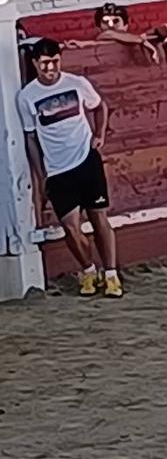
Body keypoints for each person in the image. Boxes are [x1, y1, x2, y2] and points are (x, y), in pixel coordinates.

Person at [18, 38, 124, 297]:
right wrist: (42, 174)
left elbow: (100, 106)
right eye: (44, 63)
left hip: (86, 159)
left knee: (99, 218)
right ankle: (88, 270)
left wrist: (100, 134)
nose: (50, 68)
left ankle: (111, 274)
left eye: (54, 61)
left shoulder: (77, 83)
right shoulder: (27, 96)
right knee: (70, 227)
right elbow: (30, 137)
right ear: (35, 63)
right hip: (57, 169)